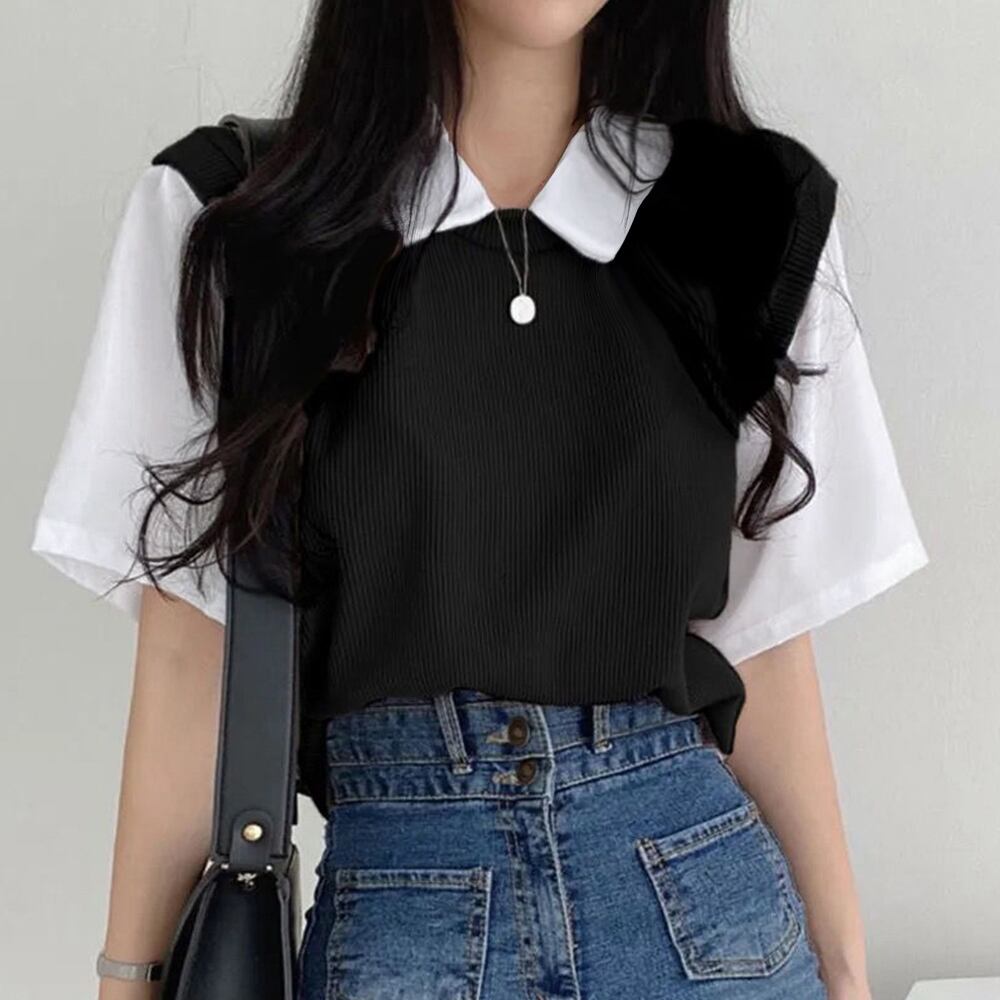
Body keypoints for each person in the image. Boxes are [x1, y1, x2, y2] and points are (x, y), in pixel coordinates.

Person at [31, 2, 929, 998]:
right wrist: (129, 977)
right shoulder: (234, 215)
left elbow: (763, 637)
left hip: (709, 916)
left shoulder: (747, 211)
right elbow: (193, 645)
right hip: (406, 921)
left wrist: (845, 972)